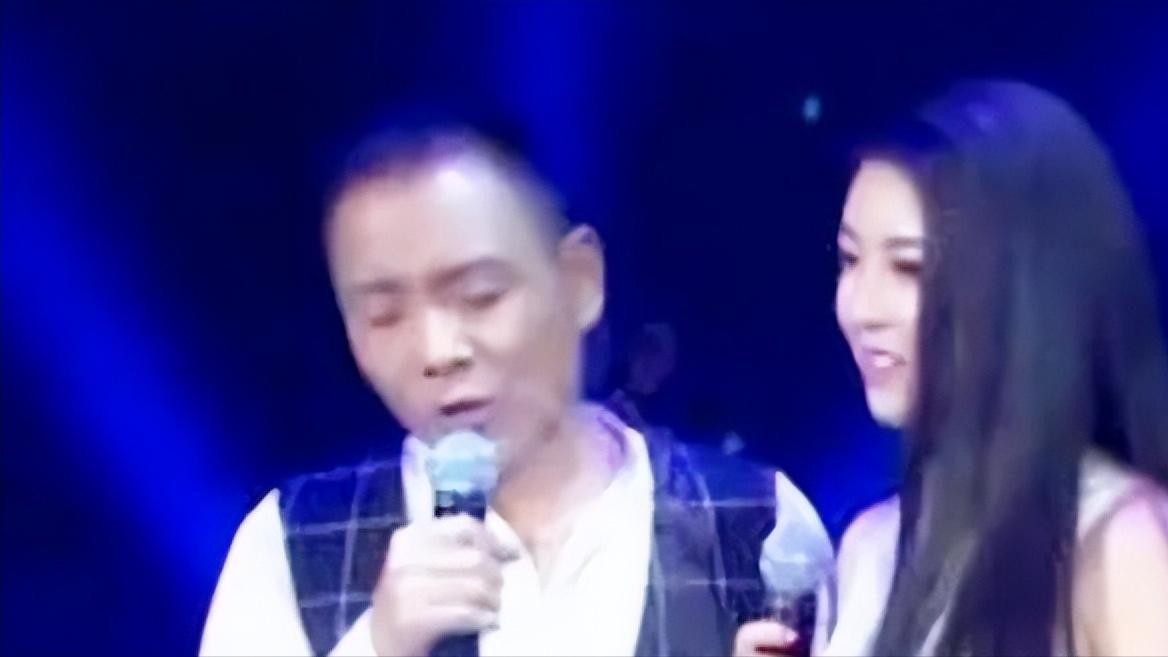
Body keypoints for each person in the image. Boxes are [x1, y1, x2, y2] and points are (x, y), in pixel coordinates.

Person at [200, 122, 833, 656]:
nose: (438, 352)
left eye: (480, 297)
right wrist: (377, 644)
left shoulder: (758, 526)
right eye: (385, 316)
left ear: (579, 281)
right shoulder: (291, 544)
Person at [736, 80, 1168, 657]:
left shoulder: (1121, 548)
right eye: (849, 260)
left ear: (1023, 292)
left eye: (908, 268)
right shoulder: (871, 548)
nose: (861, 308)